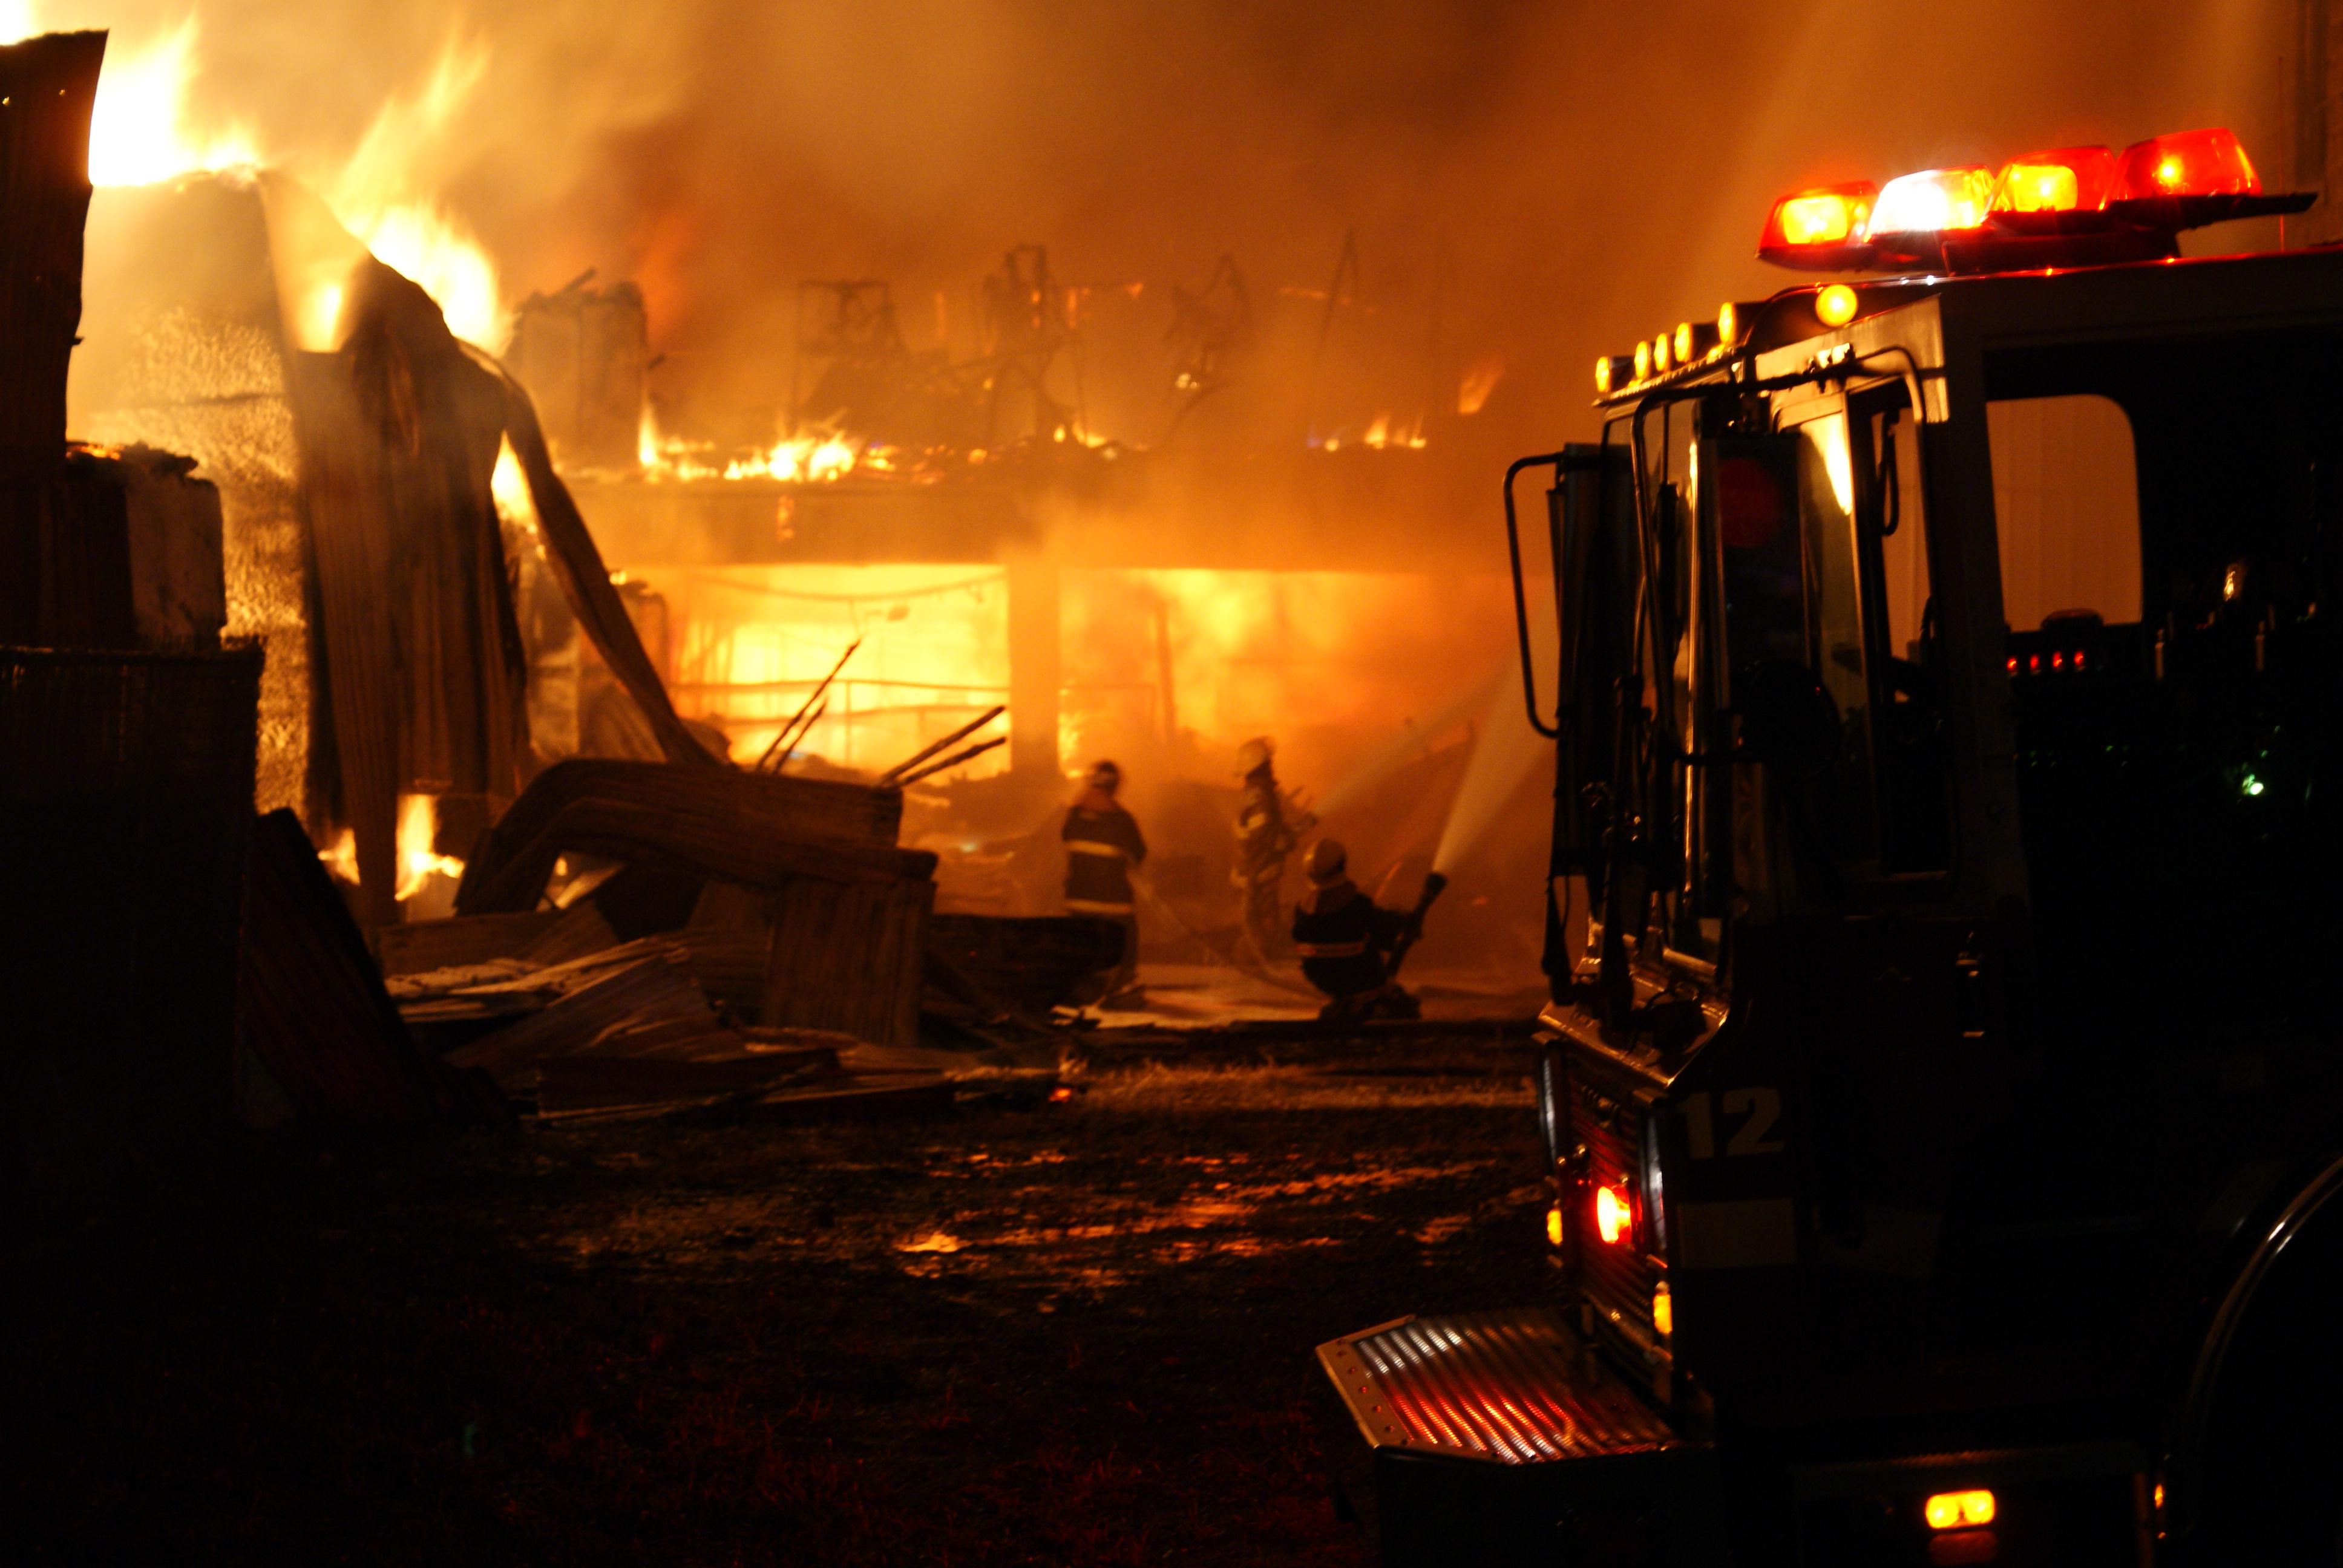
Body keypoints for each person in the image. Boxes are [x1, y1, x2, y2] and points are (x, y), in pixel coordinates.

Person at [1291, 838, 1420, 1021]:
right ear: (1342, 865)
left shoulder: (1302, 911)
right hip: (1361, 981)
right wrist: (1403, 922)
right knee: (1406, 1009)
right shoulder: (1357, 905)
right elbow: (1386, 935)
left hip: (1326, 983)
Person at [1063, 759, 1147, 1007]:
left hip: (1078, 900)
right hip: (1114, 901)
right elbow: (1139, 853)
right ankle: (1121, 987)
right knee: (1126, 937)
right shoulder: (1122, 819)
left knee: (1081, 943)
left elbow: (1066, 839)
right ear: (1115, 786)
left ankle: (1081, 986)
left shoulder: (1074, 815)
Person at [1232, 736, 1305, 963]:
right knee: (1264, 920)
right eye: (1268, 764)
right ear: (1260, 767)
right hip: (1259, 870)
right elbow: (1263, 838)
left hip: (1253, 869)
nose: (1272, 768)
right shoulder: (1261, 798)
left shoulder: (1252, 794)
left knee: (1258, 918)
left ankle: (1257, 954)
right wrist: (1287, 840)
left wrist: (1290, 831)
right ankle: (1258, 957)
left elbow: (1266, 830)